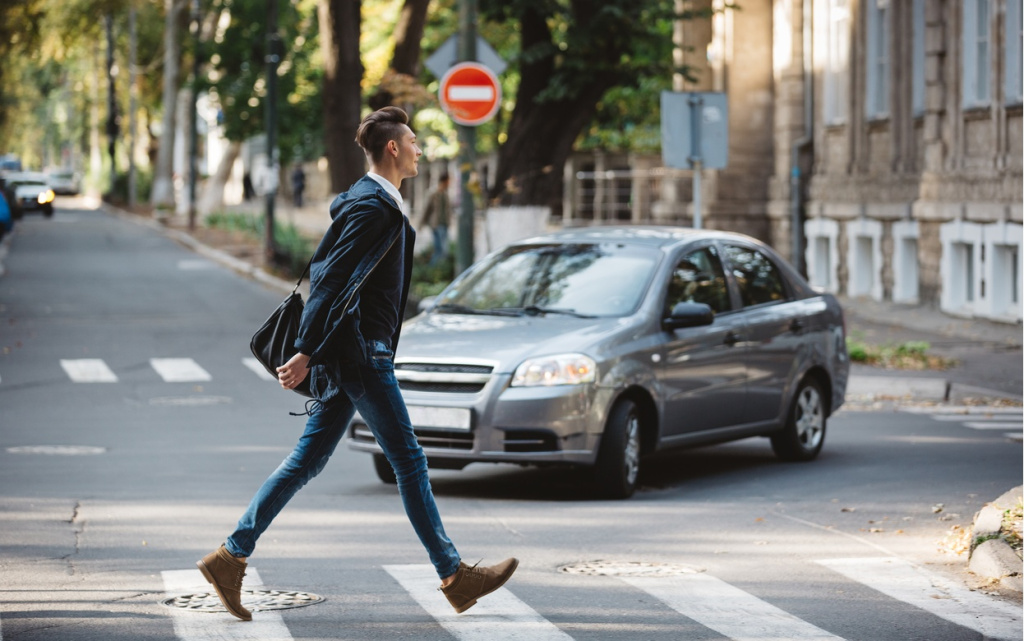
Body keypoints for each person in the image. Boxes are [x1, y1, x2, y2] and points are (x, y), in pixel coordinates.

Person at [196, 107, 517, 622]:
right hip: (361, 354)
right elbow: (331, 280)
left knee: (308, 460)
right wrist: (305, 350)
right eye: (413, 141)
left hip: (354, 353)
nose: (418, 148)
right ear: (393, 148)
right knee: (409, 461)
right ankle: (454, 575)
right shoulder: (373, 207)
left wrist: (315, 349)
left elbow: (341, 277)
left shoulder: (376, 202)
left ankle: (230, 556)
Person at [421, 171, 450, 265]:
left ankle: (438, 269)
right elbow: (426, 209)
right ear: (445, 181)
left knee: (443, 250)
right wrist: (421, 223)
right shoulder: (433, 193)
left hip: (445, 224)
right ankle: (432, 268)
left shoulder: (446, 194)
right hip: (436, 224)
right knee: (440, 249)